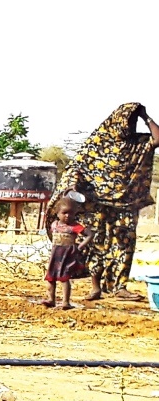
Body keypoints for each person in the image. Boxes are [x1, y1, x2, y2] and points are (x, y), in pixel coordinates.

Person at [55, 102, 157, 299]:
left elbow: (158, 139)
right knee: (97, 244)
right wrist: (72, 185)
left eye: (134, 120)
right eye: (128, 119)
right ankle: (96, 287)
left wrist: (146, 117)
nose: (130, 124)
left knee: (125, 245)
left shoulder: (137, 144)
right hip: (97, 202)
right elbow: (77, 167)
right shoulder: (100, 142)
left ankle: (120, 287)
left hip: (126, 203)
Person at [39, 192, 89, 308]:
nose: (67, 216)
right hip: (56, 254)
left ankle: (66, 302)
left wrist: (80, 246)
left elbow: (89, 234)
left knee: (64, 277)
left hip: (68, 255)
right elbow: (53, 235)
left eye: (71, 213)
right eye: (64, 213)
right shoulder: (54, 225)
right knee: (51, 277)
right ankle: (51, 299)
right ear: (57, 214)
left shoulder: (75, 226)